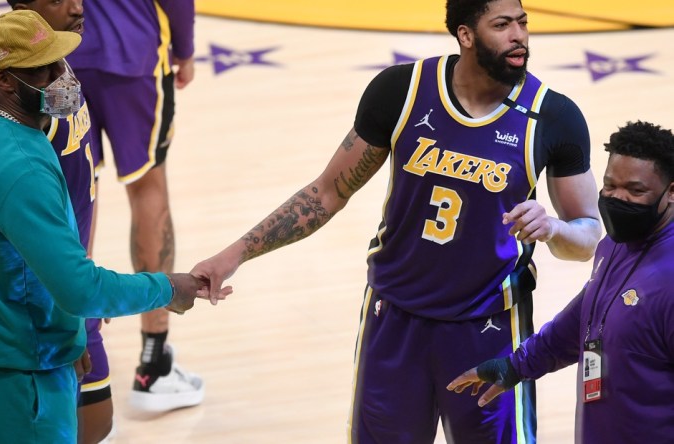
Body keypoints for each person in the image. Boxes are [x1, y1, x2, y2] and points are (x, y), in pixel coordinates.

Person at [191, 0, 602, 442]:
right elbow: (328, 192)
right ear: (465, 35)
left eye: (523, 23)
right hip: (394, 317)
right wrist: (234, 255)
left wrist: (555, 228)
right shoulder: (401, 91)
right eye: (502, 25)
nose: (519, 36)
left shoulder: (553, 117)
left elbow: (589, 234)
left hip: (488, 327)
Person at [0, 10, 225, 443]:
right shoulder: (24, 169)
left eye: (60, 63)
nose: (62, 78)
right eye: (44, 70)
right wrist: (169, 288)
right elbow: (81, 290)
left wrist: (69, 332)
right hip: (25, 374)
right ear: (4, 80)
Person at [447, 120, 674, 443]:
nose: (618, 198)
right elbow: (587, 314)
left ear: (672, 191)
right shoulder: (614, 243)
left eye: (636, 191)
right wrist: (517, 366)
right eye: (610, 186)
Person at [65, 0, 200, 413]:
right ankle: (153, 365)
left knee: (74, 192)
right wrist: (185, 49)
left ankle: (74, 357)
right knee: (147, 187)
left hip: (62, 54)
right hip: (135, 50)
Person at [0, 1, 112, 442]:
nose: (77, 5)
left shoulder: (62, 62)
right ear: (23, 8)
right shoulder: (25, 111)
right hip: (50, 309)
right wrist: (69, 310)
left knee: (97, 425)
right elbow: (29, 231)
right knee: (87, 426)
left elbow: (86, 181)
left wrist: (87, 267)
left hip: (75, 289)